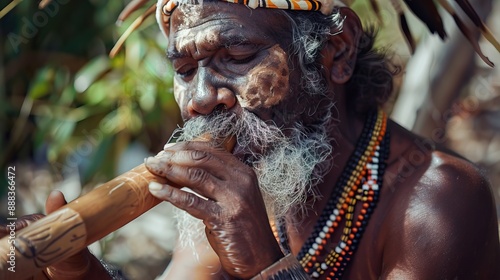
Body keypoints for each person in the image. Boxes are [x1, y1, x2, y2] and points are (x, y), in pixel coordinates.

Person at [3, 0, 500, 279]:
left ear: (337, 51)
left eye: (238, 55)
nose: (199, 100)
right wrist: (77, 273)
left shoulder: (441, 204)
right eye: (184, 69)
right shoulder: (249, 184)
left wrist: (266, 265)